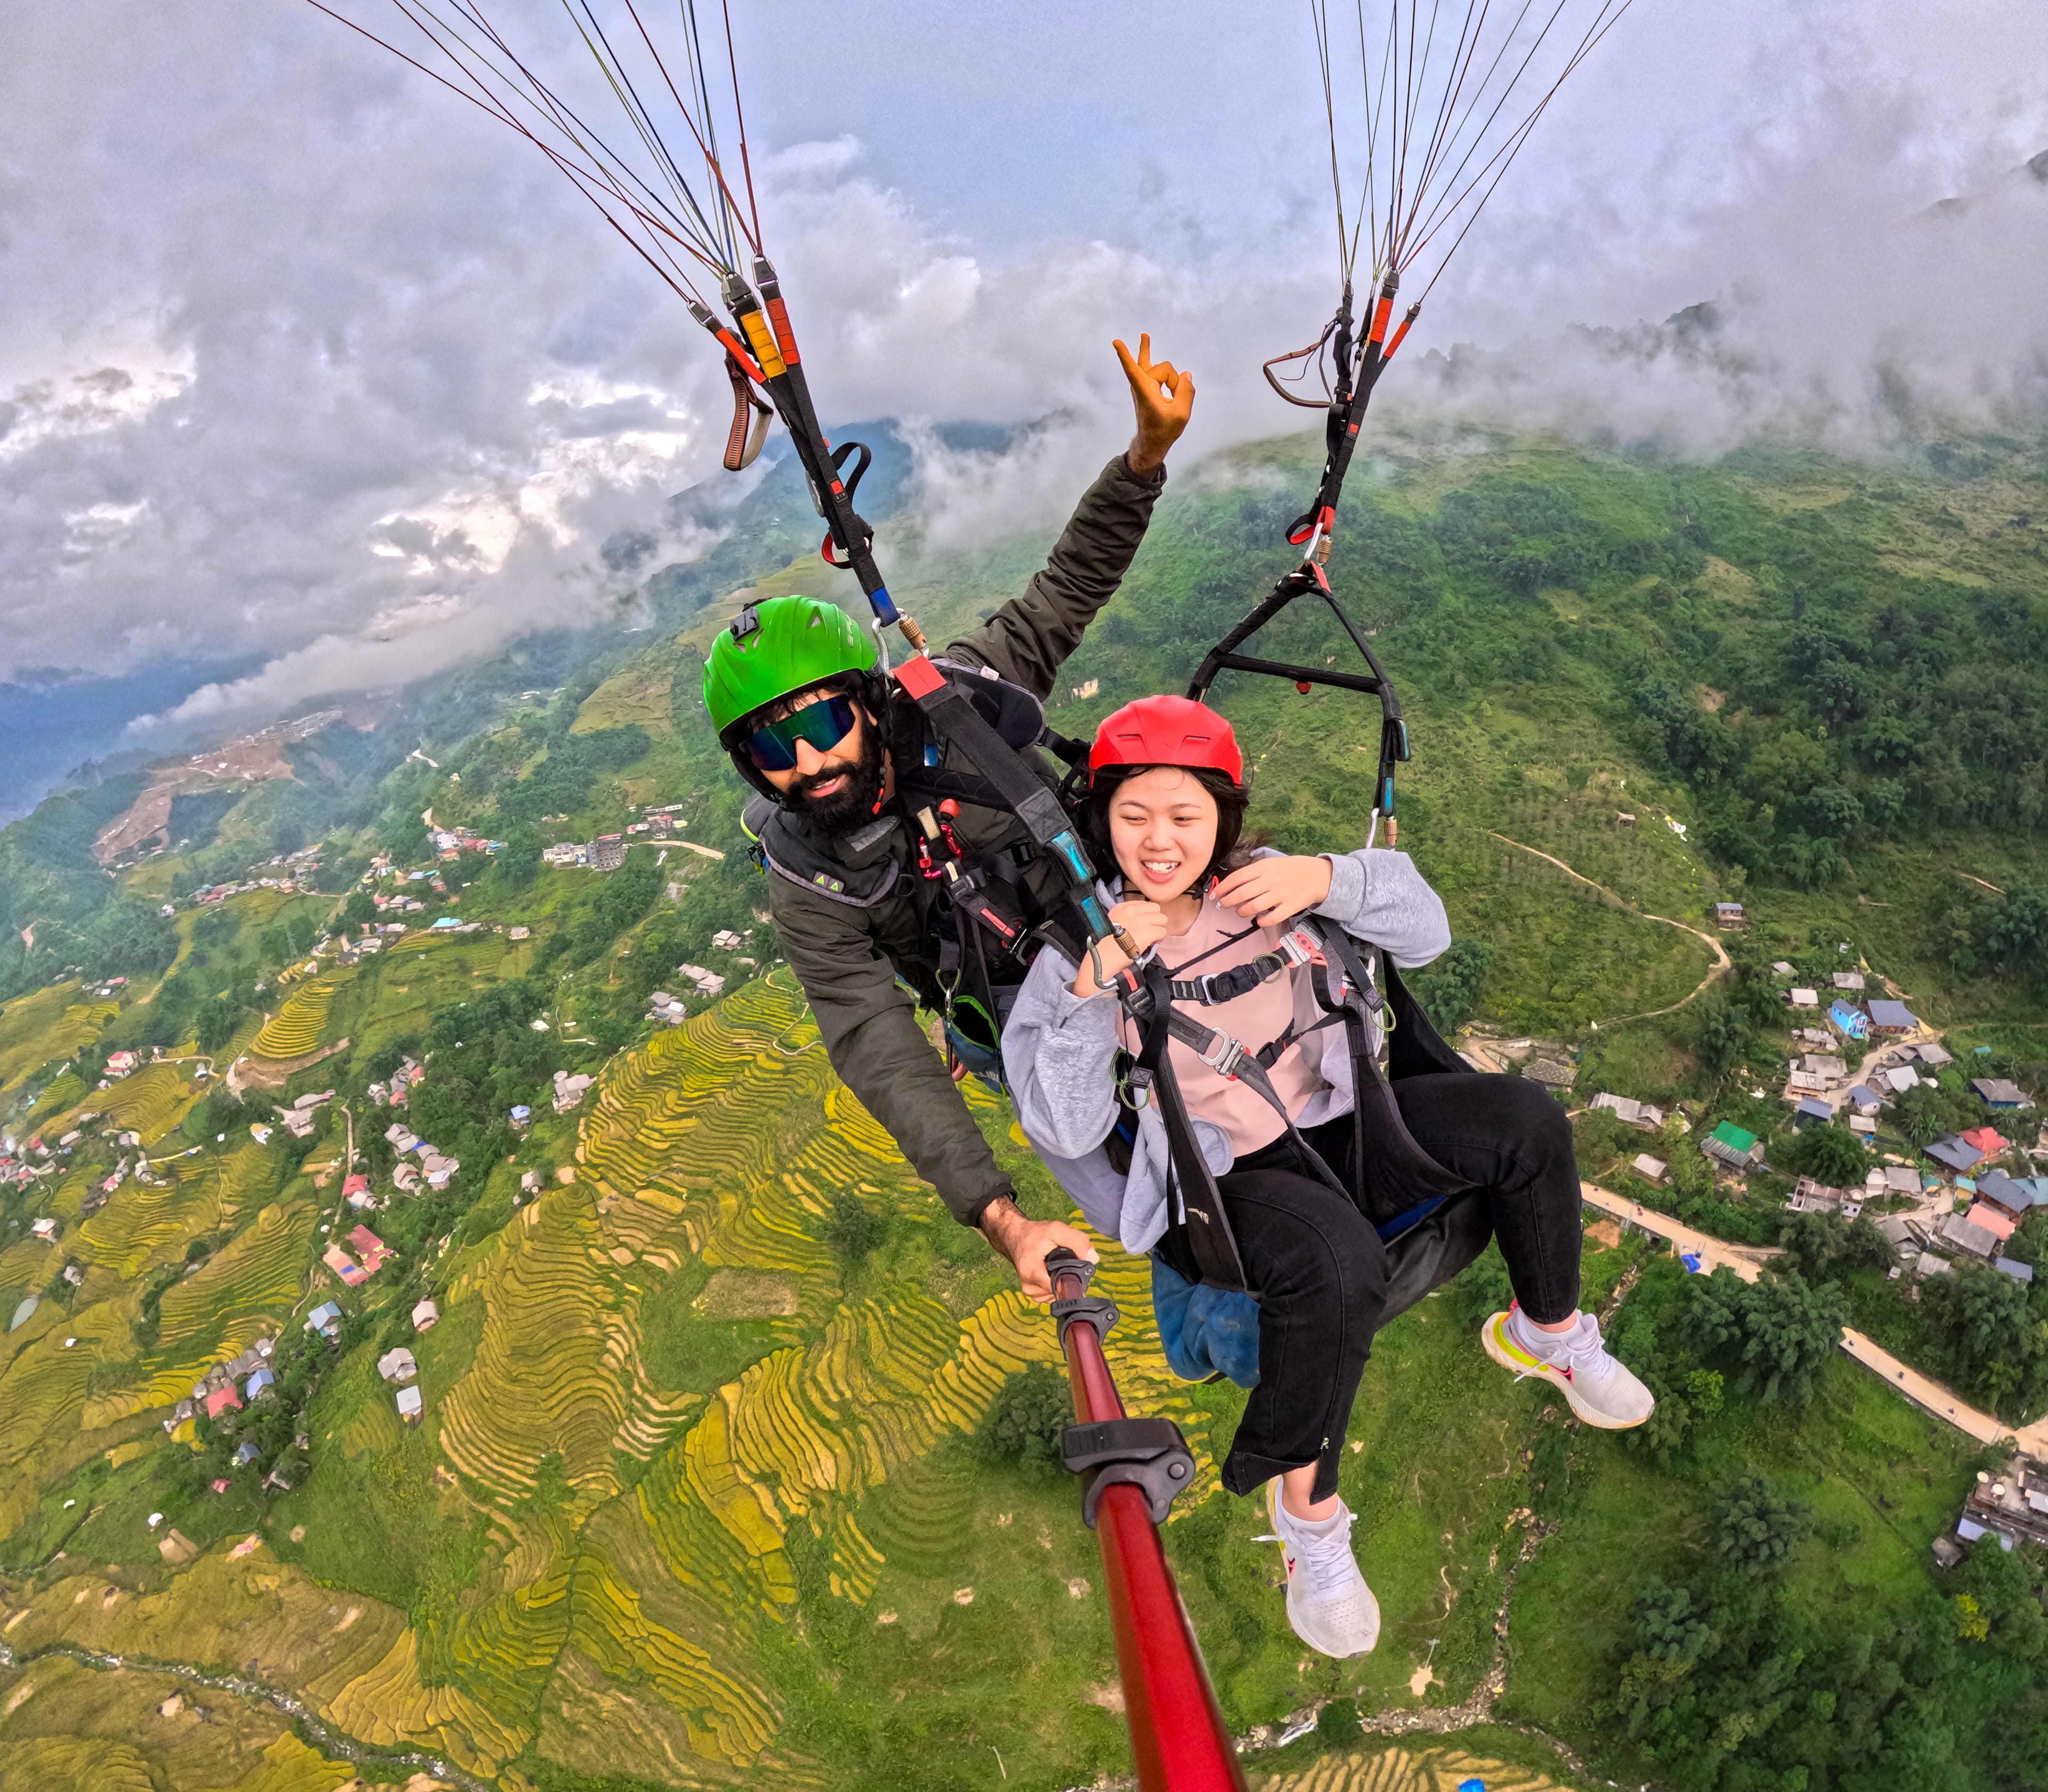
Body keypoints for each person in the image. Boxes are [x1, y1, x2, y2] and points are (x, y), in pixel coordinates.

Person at [1002, 695, 1653, 1660]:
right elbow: (1060, 1123)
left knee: (1526, 1122)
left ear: (1224, 815)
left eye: (1185, 815)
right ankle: (1309, 1517)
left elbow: (1424, 934)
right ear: (1100, 821)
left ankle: (1546, 1331)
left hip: (1346, 1120)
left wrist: (1330, 878)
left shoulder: (1274, 883)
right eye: (1134, 815)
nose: (1159, 840)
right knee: (1337, 1264)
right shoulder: (1077, 949)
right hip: (1226, 1177)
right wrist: (1097, 993)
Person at [700, 336, 1195, 1301]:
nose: (805, 762)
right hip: (1007, 1017)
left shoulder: (951, 706)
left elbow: (1064, 593)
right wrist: (1001, 1219)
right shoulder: (807, 870)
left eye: (820, 721)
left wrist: (1144, 460)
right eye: (770, 747)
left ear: (867, 700)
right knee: (1150, 1202)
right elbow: (873, 1044)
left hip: (1119, 927)